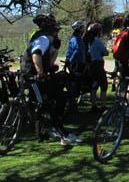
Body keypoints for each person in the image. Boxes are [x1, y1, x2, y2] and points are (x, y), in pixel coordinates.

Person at [22, 14, 80, 145]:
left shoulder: (45, 39)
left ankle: (49, 129)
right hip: (33, 76)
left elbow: (45, 58)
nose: (57, 34)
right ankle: (59, 132)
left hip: (37, 75)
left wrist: (49, 65)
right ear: (51, 30)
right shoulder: (43, 38)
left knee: (59, 97)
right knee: (45, 103)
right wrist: (41, 72)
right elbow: (36, 54)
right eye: (56, 31)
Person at [85, 22, 109, 113]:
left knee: (94, 84)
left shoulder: (87, 41)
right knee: (103, 85)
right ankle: (103, 106)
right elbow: (105, 52)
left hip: (91, 65)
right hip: (98, 64)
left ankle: (94, 105)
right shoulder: (97, 41)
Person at [65, 20, 87, 103]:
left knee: (76, 81)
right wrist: (71, 60)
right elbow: (77, 50)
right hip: (76, 63)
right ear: (80, 29)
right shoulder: (76, 39)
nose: (84, 29)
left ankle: (73, 99)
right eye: (82, 28)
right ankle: (72, 100)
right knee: (75, 82)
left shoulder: (75, 38)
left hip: (77, 62)